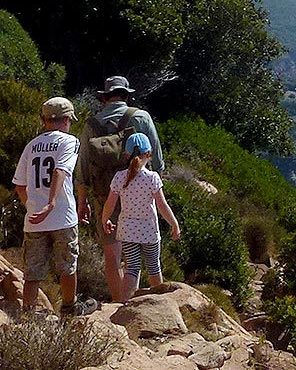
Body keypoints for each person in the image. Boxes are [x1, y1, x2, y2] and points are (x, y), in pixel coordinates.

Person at [81, 75, 164, 302]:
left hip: (104, 194)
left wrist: (82, 203)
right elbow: (157, 161)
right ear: (127, 95)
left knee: (113, 257)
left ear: (104, 98)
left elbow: (82, 170)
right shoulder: (141, 117)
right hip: (139, 199)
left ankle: (120, 305)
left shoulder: (91, 124)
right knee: (144, 257)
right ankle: (153, 303)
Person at [11, 97, 97, 316]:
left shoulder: (32, 145)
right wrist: (50, 204)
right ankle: (69, 307)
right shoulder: (69, 142)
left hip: (34, 219)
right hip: (62, 215)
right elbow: (60, 171)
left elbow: (19, 184)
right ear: (67, 119)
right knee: (67, 265)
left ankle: (28, 313)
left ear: (44, 120)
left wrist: (32, 205)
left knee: (33, 271)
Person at [101, 132, 181, 302]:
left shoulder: (119, 177)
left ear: (126, 155)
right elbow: (162, 205)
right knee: (153, 266)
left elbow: (110, 203)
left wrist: (105, 220)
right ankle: (159, 304)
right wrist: (174, 224)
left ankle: (123, 304)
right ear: (149, 154)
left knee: (132, 268)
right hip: (149, 231)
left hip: (127, 230)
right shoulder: (152, 178)